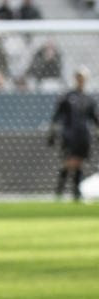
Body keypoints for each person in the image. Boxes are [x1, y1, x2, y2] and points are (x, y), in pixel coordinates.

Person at [48, 67, 98, 202]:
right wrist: (52, 131)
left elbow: (94, 118)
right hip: (69, 134)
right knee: (69, 162)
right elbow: (57, 115)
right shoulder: (67, 97)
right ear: (76, 78)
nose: (81, 80)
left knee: (79, 163)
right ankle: (59, 191)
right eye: (79, 77)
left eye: (83, 77)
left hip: (83, 135)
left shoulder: (89, 99)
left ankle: (76, 193)